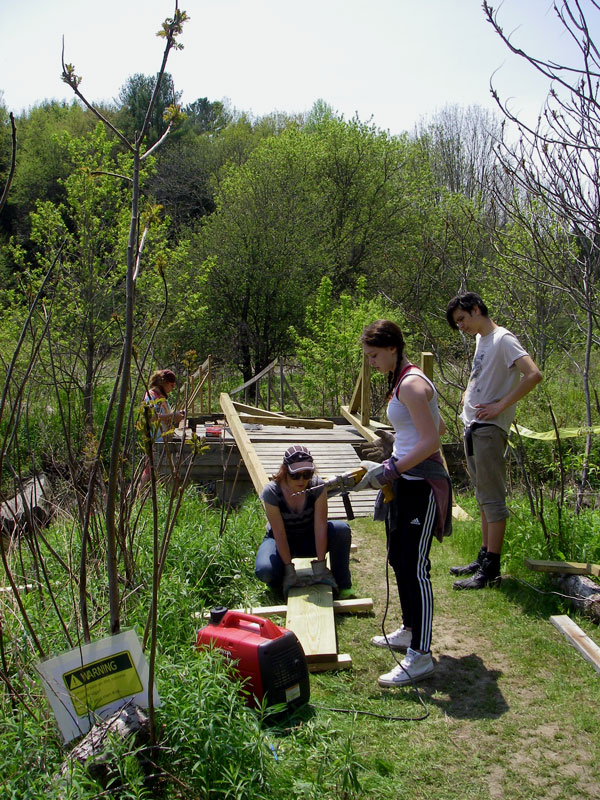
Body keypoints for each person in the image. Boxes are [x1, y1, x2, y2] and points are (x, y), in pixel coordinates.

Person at [356, 320, 451, 688]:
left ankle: (421, 655)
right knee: (398, 558)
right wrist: (397, 441)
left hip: (422, 484)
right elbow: (433, 428)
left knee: (415, 567)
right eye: (368, 356)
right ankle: (409, 629)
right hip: (404, 481)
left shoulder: (411, 383)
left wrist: (392, 465)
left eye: (374, 355)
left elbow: (431, 442)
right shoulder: (401, 381)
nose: (372, 362)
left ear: (393, 348)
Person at [446, 292, 542, 589]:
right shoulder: (480, 340)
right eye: (457, 323)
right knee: (482, 496)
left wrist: (500, 406)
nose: (460, 326)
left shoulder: (503, 339)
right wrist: (468, 392)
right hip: (473, 425)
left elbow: (534, 374)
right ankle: (483, 556)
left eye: (462, 319)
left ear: (476, 309)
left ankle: (490, 570)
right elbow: (482, 374)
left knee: (493, 499)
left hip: (489, 428)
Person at [255, 445, 355, 599]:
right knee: (265, 571)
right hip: (282, 540)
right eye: (295, 475)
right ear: (285, 471)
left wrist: (321, 566)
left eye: (307, 474)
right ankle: (278, 580)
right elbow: (279, 533)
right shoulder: (271, 492)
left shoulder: (317, 485)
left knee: (341, 530)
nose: (302, 480)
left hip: (309, 538)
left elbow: (321, 526)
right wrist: (289, 569)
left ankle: (343, 584)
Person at [140, 369, 185, 486]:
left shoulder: (160, 397)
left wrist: (176, 415)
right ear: (162, 383)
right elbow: (151, 417)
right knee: (149, 472)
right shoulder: (150, 396)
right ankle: (137, 498)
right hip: (154, 440)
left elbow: (163, 415)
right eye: (171, 385)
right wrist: (172, 415)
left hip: (162, 440)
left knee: (154, 472)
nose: (172, 388)